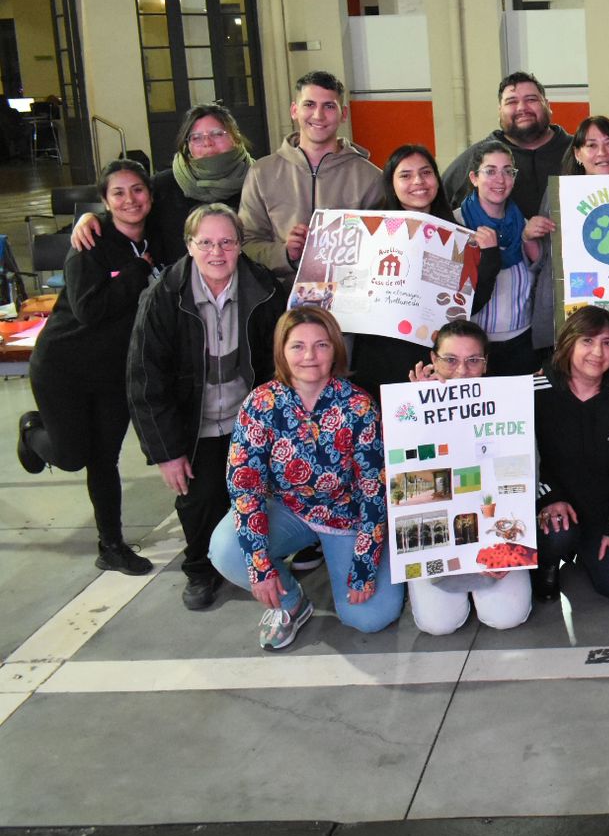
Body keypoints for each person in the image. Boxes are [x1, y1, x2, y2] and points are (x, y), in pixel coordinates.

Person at [209, 306, 404, 648]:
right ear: (282, 352)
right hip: (288, 509)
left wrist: (364, 564)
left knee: (371, 617)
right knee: (226, 550)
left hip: (346, 517)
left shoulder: (358, 405)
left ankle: (343, 565)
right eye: (297, 346)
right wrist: (261, 568)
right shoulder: (260, 404)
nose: (310, 356)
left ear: (336, 350)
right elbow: (245, 487)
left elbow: (375, 490)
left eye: (322, 345)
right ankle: (291, 603)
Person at [127, 204, 285, 609]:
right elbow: (146, 381)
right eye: (207, 243)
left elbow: (275, 364)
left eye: (227, 242)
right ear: (189, 246)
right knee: (199, 499)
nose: (218, 252)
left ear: (240, 245)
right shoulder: (163, 297)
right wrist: (167, 453)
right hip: (191, 422)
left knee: (256, 495)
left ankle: (261, 562)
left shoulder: (264, 288)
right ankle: (200, 569)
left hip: (244, 417)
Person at [17, 160, 164, 575]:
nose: (130, 200)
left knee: (105, 459)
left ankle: (112, 545)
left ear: (149, 196)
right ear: (104, 201)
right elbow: (88, 310)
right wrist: (134, 272)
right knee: (71, 457)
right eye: (118, 193)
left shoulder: (156, 238)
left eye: (137, 190)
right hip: (64, 367)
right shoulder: (90, 243)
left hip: (114, 374)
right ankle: (33, 433)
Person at [404, 320, 535, 635]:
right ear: (433, 360)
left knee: (507, 618)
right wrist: (413, 414)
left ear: (485, 364)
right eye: (450, 360)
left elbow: (522, 478)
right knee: (438, 625)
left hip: (493, 539)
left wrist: (511, 548)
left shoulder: (506, 405)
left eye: (473, 360)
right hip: (434, 543)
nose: (461, 370)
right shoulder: (406, 406)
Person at [349, 145, 499, 394]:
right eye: (405, 175)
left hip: (437, 361)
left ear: (437, 180)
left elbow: (468, 305)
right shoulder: (368, 232)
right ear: (391, 183)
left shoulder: (456, 235)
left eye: (426, 173)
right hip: (379, 359)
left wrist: (491, 256)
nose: (418, 181)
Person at [530, 306, 609, 603]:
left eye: (607, 343)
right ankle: (547, 563)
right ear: (568, 343)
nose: (597, 352)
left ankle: (583, 555)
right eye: (587, 341)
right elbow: (519, 459)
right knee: (558, 534)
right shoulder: (535, 390)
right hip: (551, 510)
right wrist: (547, 497)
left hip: (601, 515)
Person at [239, 70, 383, 283]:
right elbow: (246, 243)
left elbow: (382, 246)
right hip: (280, 304)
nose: (318, 115)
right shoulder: (262, 173)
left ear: (343, 114)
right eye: (309, 104)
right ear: (294, 110)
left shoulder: (371, 177)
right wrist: (285, 254)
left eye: (329, 106)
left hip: (348, 301)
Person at [71, 103, 255, 261]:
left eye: (217, 134)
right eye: (196, 137)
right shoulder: (164, 185)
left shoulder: (258, 179)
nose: (207, 142)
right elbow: (131, 211)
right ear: (187, 146)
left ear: (235, 137)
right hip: (176, 291)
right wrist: (91, 219)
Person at [524, 115, 609, 357]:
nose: (601, 152)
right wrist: (529, 236)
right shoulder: (559, 195)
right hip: (567, 309)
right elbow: (543, 258)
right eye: (591, 145)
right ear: (578, 154)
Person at [457, 142, 542, 377]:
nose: (500, 179)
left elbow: (541, 281)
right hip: (471, 351)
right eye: (490, 171)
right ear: (474, 178)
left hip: (522, 347)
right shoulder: (455, 227)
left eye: (507, 171)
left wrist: (533, 244)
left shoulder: (525, 226)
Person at [441, 71, 573, 217]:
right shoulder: (476, 157)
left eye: (531, 99)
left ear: (547, 105)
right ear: (500, 111)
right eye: (511, 102)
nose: (522, 108)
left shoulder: (579, 152)